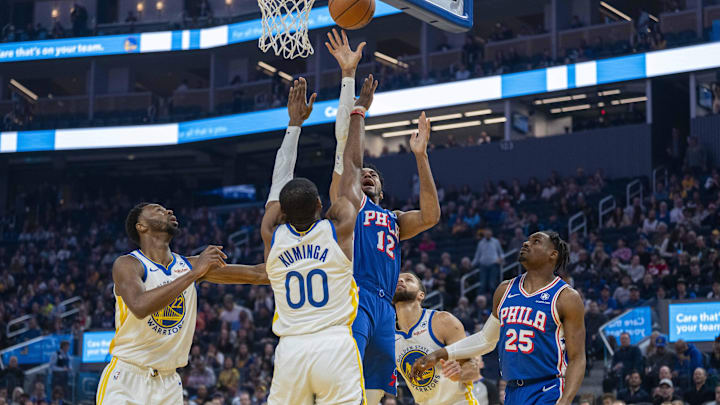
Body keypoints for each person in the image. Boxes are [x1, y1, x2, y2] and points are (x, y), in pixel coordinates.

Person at [327, 29, 441, 405]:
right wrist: (359, 109)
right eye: (363, 174)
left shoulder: (391, 218)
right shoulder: (352, 204)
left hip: (383, 307)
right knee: (345, 388)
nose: (368, 173)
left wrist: (421, 157)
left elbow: (430, 215)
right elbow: (351, 159)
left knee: (377, 396)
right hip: (355, 295)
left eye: (375, 173)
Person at [260, 74, 376, 404]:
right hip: (334, 344)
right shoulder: (338, 228)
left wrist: (294, 124)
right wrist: (358, 112)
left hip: (291, 350)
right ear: (320, 206)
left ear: (281, 210)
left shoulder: (273, 236)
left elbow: (278, 181)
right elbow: (350, 166)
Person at [96, 202, 267, 404]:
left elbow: (260, 274)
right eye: (158, 210)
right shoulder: (128, 264)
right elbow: (140, 306)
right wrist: (194, 274)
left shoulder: (190, 265)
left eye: (167, 209)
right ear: (141, 226)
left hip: (169, 382)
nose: (168, 211)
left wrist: (270, 225)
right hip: (126, 376)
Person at [412, 231, 586, 405]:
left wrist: (565, 400)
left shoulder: (565, 297)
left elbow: (577, 357)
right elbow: (486, 339)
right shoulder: (505, 290)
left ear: (553, 254)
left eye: (536, 241)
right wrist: (437, 355)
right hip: (512, 391)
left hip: (547, 389)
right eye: (527, 240)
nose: (526, 243)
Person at [393, 272, 479, 404]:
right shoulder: (387, 335)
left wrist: (460, 374)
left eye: (408, 279)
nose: (401, 281)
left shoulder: (442, 321)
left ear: (421, 295)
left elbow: (474, 368)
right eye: (397, 280)